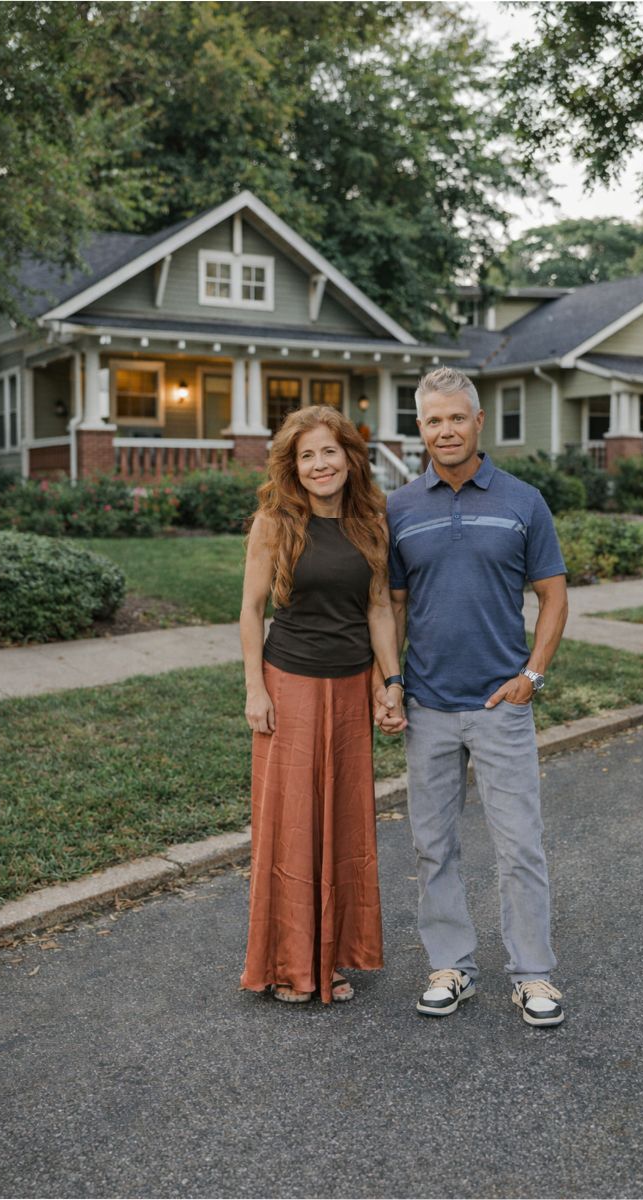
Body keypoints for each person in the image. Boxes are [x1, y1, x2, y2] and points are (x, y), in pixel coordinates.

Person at [375, 366, 569, 1025]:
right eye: (433, 420)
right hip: (428, 707)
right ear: (420, 428)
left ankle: (534, 975)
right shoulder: (399, 508)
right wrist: (392, 682)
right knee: (434, 845)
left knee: (519, 845)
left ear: (478, 422)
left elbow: (553, 594)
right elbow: (393, 606)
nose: (446, 430)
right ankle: (451, 966)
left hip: (500, 708)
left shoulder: (523, 501)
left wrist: (532, 676)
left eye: (457, 417)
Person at [239, 405, 406, 1005]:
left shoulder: (371, 522)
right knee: (292, 827)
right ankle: (288, 964)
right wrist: (255, 689)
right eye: (306, 455)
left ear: (349, 456)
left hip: (350, 687)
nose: (319, 465)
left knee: (344, 822)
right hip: (290, 683)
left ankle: (330, 959)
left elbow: (379, 609)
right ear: (293, 466)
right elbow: (251, 611)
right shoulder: (274, 523)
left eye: (328, 451)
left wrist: (391, 683)